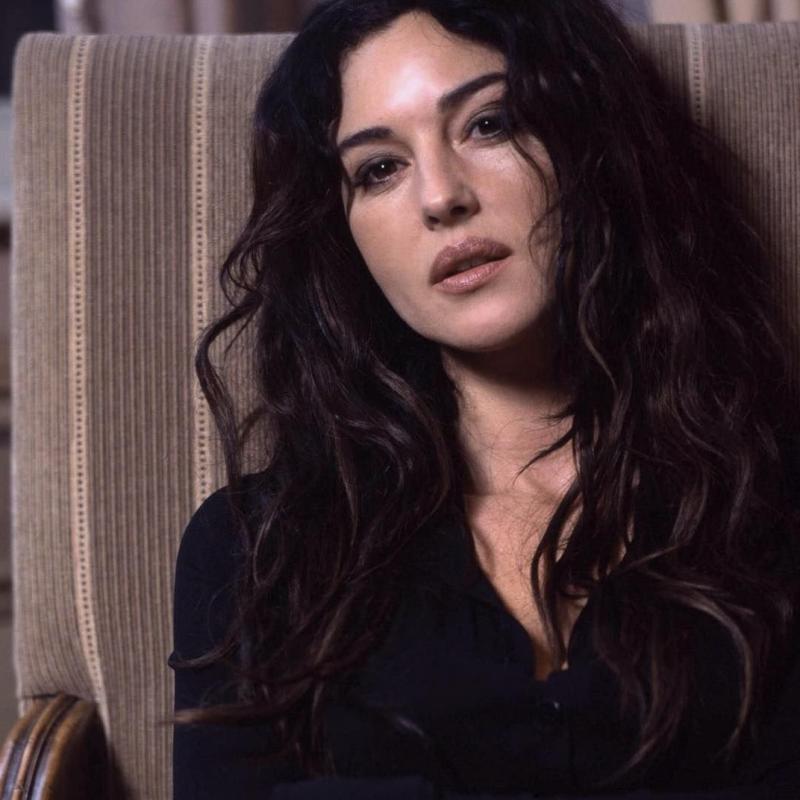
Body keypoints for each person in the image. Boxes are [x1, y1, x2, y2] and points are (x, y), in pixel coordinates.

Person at [167, 1, 800, 797]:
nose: (441, 197)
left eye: (489, 124)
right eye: (379, 168)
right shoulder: (256, 547)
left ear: (590, 141)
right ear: (343, 235)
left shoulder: (769, 495)